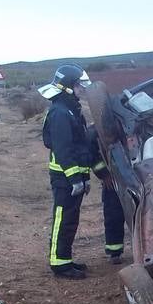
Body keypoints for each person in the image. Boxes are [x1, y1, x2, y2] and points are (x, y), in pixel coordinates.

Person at [40, 64, 93, 279]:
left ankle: (66, 259)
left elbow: (80, 148)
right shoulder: (61, 113)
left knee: (71, 219)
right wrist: (74, 178)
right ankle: (59, 263)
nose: (82, 88)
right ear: (69, 86)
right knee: (63, 218)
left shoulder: (70, 109)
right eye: (80, 84)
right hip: (64, 178)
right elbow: (63, 150)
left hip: (73, 177)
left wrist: (85, 177)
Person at [88, 127, 125, 264]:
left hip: (133, 174)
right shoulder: (94, 132)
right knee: (113, 214)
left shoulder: (127, 124)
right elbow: (92, 157)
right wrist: (104, 174)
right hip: (112, 178)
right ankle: (114, 251)